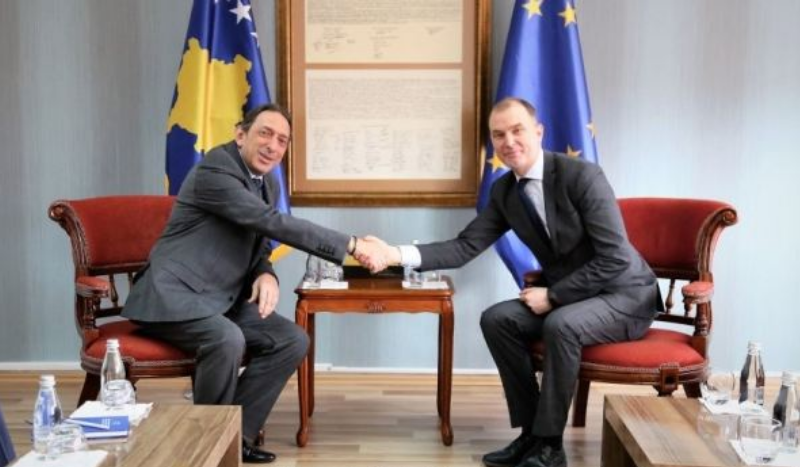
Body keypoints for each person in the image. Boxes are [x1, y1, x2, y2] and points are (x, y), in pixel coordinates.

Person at [361, 98, 660, 467]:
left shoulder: (582, 176)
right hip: (576, 299)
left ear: (539, 132)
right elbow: (464, 246)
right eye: (499, 135)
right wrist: (394, 253)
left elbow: (614, 258)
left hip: (625, 294)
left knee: (561, 324)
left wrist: (554, 295)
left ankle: (550, 447)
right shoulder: (505, 192)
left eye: (518, 130)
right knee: (497, 319)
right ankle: (531, 434)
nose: (509, 141)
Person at [122, 103, 386, 464]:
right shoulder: (215, 170)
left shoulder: (267, 180)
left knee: (291, 339)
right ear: (240, 134)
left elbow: (260, 238)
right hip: (173, 295)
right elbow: (271, 222)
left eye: (282, 140)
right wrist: (352, 245)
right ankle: (208, 447)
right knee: (226, 339)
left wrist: (265, 272)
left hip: (223, 297)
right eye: (265, 133)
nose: (273, 146)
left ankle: (237, 436)